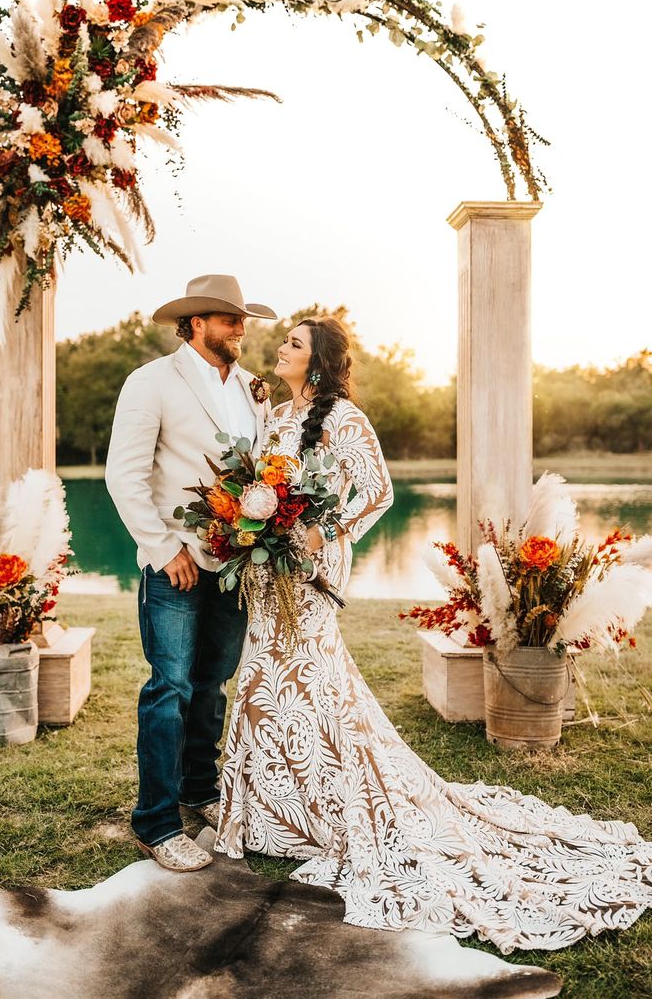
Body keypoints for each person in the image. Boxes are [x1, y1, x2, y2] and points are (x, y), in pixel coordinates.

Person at [215, 314, 652, 953]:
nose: (281, 348)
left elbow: (379, 493)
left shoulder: (344, 419)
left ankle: (328, 804)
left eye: (294, 343)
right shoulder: (274, 417)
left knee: (306, 677)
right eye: (283, 340)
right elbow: (254, 483)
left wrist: (322, 531)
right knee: (260, 677)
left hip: (311, 570)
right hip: (265, 569)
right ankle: (272, 813)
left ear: (321, 358)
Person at [105, 274, 277, 872]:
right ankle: (154, 822)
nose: (242, 328)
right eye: (230, 319)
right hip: (174, 564)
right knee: (169, 688)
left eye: (242, 318)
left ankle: (199, 790)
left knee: (213, 682)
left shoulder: (254, 391)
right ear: (197, 323)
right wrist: (162, 549)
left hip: (235, 564)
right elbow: (123, 476)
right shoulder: (150, 381)